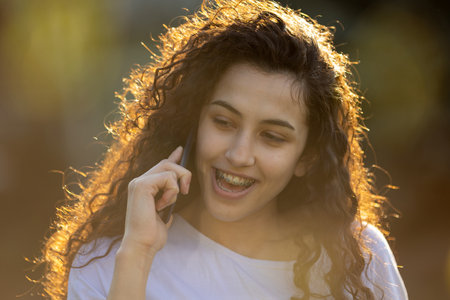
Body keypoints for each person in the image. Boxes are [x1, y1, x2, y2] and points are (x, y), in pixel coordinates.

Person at [36, 0, 408, 299]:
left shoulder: (358, 259)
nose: (239, 154)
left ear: (306, 158)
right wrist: (138, 255)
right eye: (224, 122)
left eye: (272, 137)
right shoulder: (106, 262)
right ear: (193, 122)